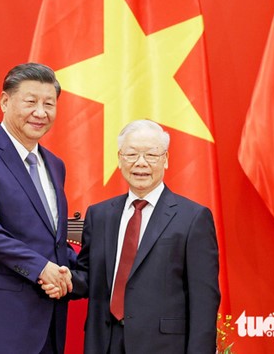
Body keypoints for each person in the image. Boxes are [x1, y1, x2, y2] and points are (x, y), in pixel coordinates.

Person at [46, 119, 220, 353]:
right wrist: (65, 279)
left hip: (162, 346)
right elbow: (89, 276)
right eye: (131, 154)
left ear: (166, 159)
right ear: (119, 158)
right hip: (105, 342)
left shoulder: (193, 218)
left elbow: (204, 301)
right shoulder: (99, 215)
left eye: (151, 155)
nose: (140, 163)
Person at [0, 63, 76, 354]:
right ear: (5, 101)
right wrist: (41, 268)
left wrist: (68, 273)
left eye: (49, 104)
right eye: (30, 102)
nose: (41, 112)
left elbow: (50, 237)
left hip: (46, 322)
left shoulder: (55, 165)